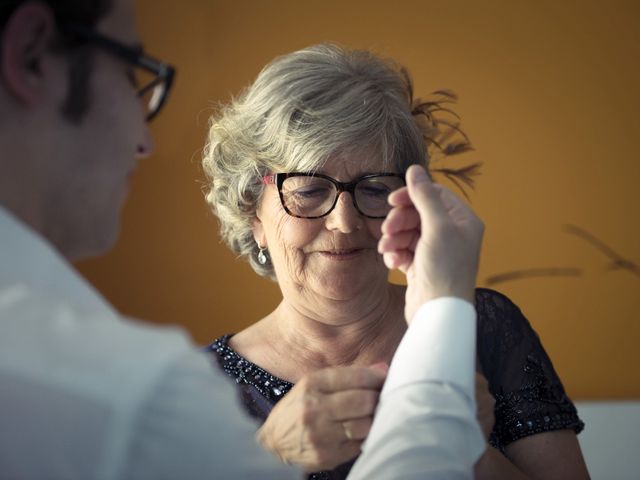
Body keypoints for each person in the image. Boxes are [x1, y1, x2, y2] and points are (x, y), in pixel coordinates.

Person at [0, 0, 488, 478]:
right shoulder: (136, 394)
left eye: (374, 188)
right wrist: (443, 333)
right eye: (132, 72)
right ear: (31, 54)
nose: (144, 140)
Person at [202, 43, 591, 479]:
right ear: (253, 213)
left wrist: (461, 444)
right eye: (309, 190)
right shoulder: (199, 388)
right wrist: (271, 457)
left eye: (372, 188)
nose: (345, 222)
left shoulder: (483, 328)